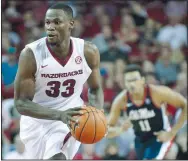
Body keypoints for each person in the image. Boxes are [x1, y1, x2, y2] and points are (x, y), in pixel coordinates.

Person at [14, 3, 104, 160]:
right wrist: (59, 115)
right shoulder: (30, 55)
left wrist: (97, 113)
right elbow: (21, 103)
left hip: (71, 117)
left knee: (57, 158)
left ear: (71, 24)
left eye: (57, 22)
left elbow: (95, 88)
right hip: (36, 121)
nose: (50, 27)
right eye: (48, 22)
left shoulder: (88, 51)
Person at [107, 64, 187, 159]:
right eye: (128, 81)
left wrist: (172, 132)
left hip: (160, 136)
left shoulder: (157, 93)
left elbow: (185, 105)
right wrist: (120, 129)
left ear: (142, 80)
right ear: (125, 83)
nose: (132, 84)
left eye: (134, 80)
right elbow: (107, 131)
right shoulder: (121, 100)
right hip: (140, 140)